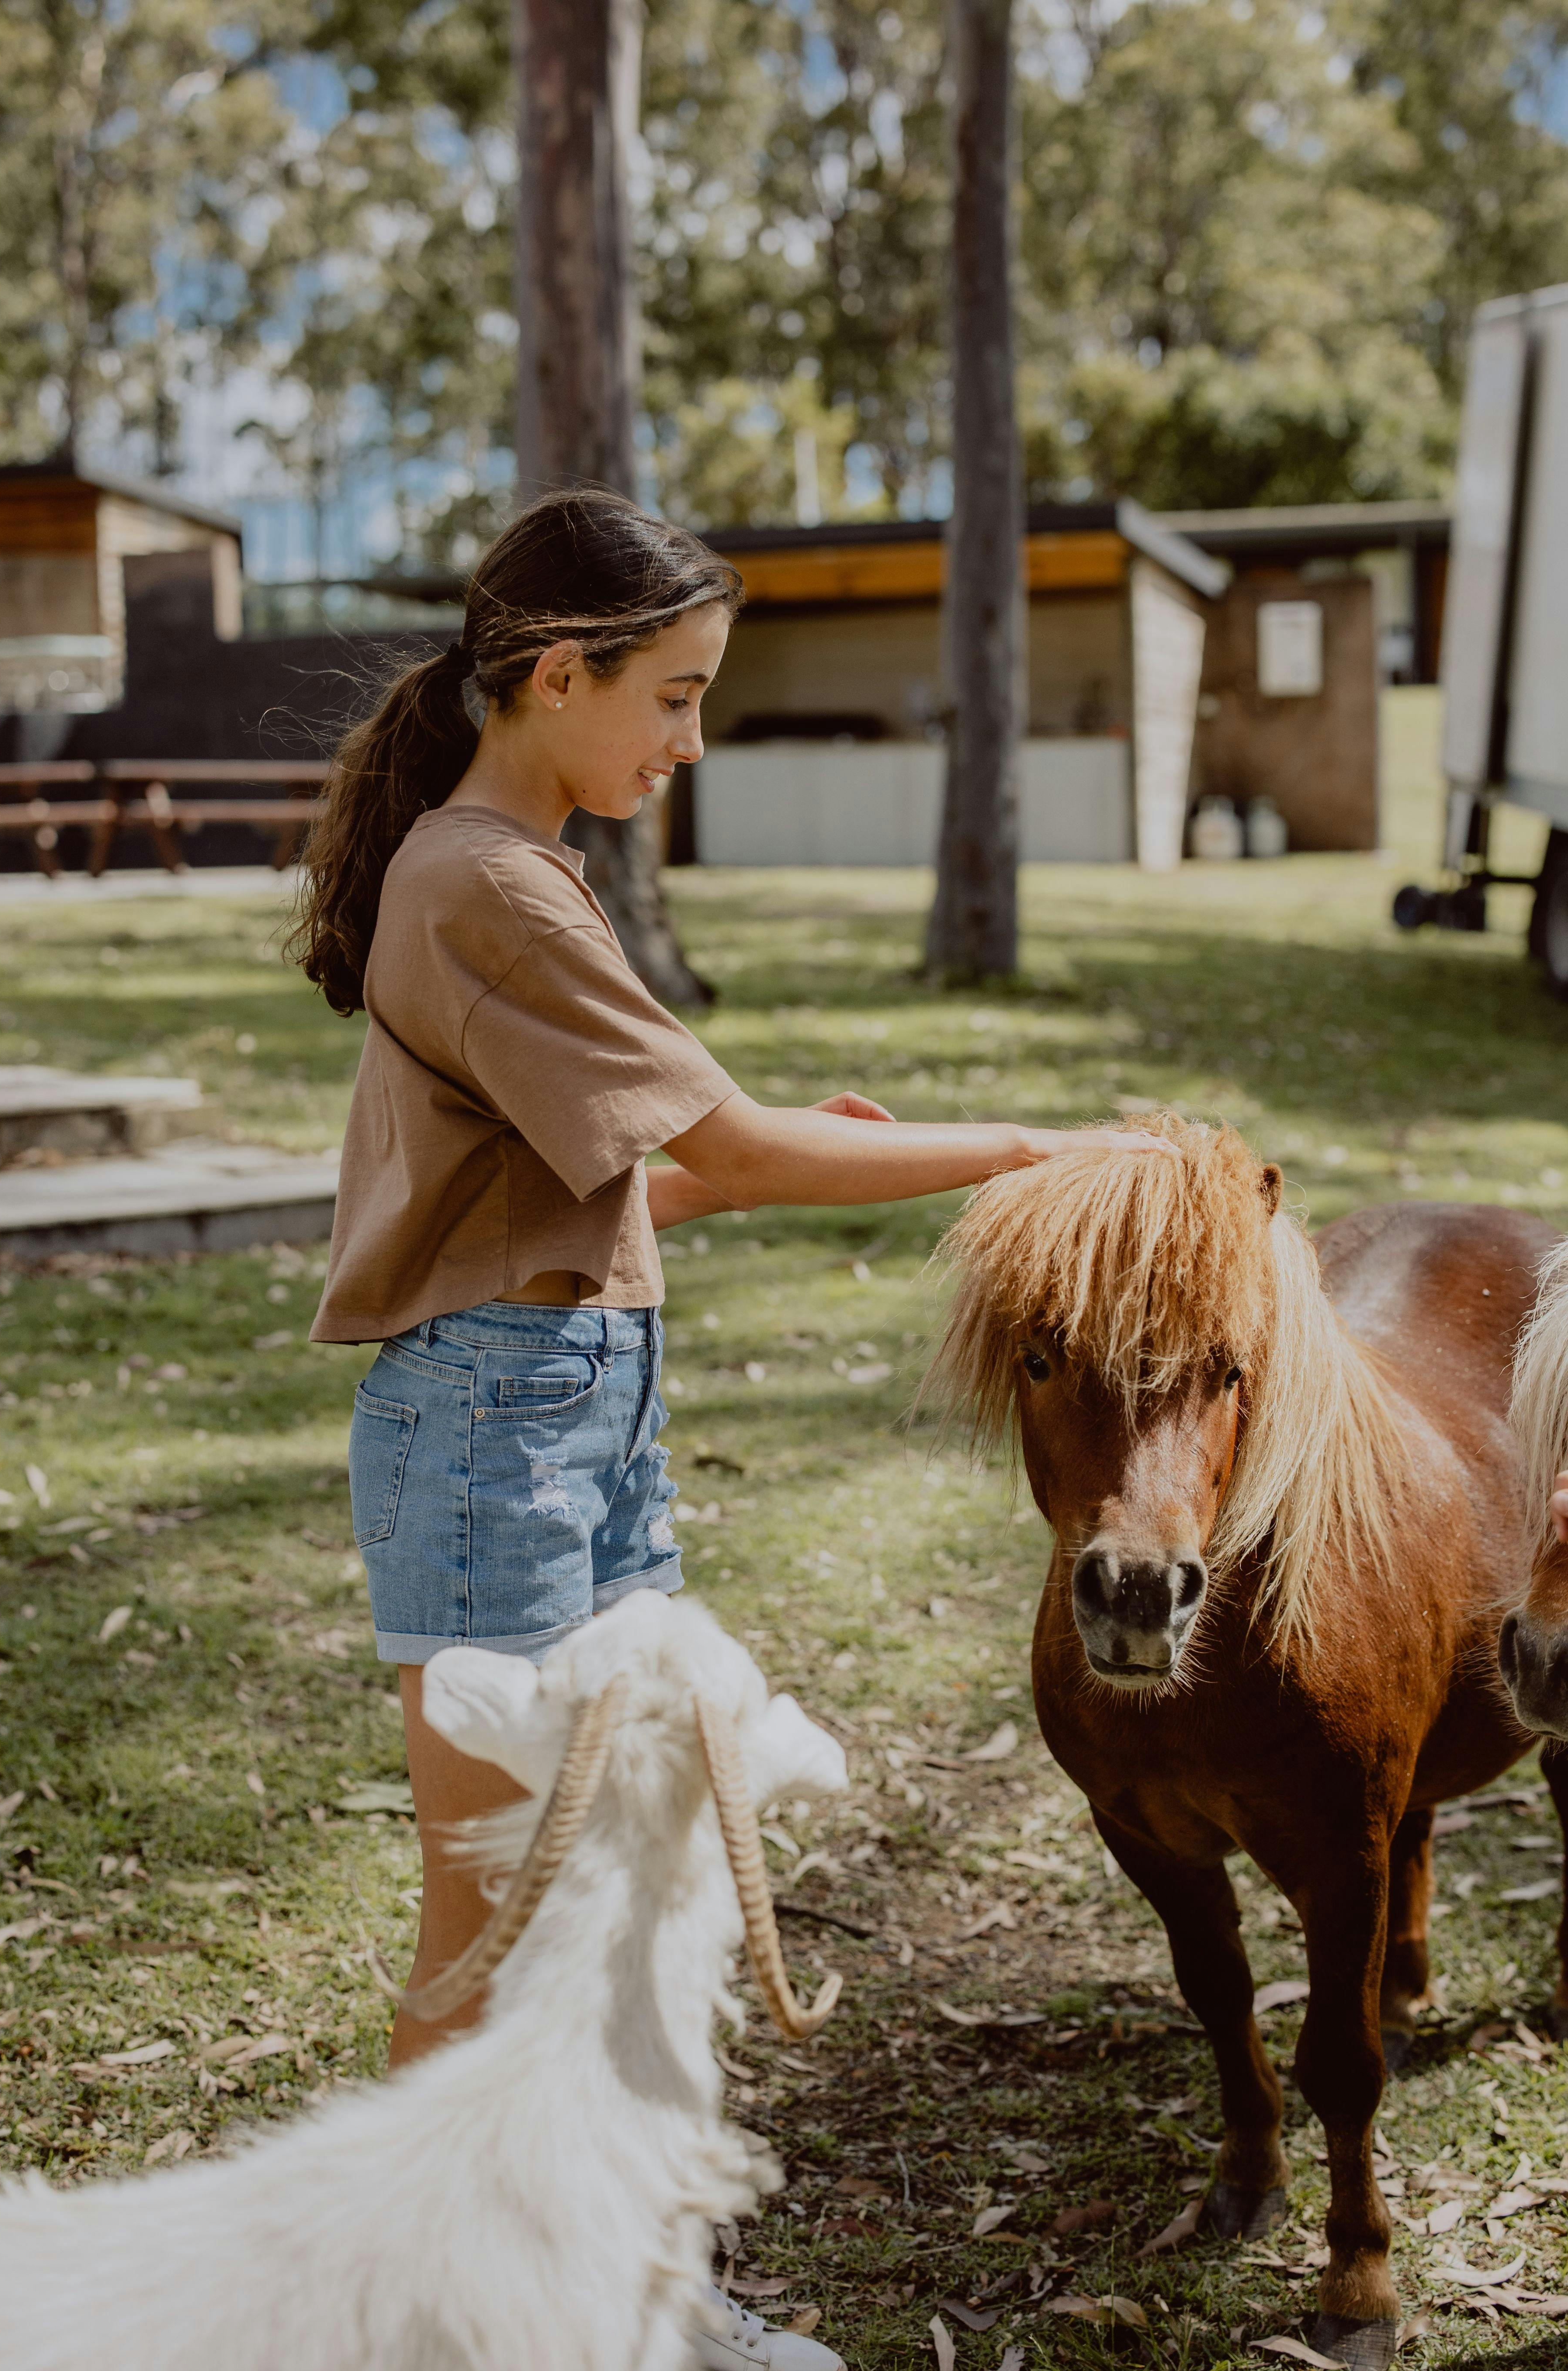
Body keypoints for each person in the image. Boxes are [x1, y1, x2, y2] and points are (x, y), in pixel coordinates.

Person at [294, 487, 1158, 2371]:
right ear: (552, 674)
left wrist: (770, 1166)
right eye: (671, 697)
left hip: (563, 1399)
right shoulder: (486, 882)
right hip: (502, 1429)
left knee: (605, 1879)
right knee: (496, 1919)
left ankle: (611, 2298)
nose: (690, 741)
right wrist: (1039, 1146)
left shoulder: (521, 867)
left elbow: (563, 1206)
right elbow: (737, 1150)